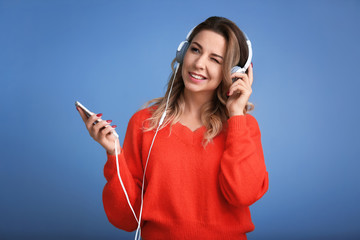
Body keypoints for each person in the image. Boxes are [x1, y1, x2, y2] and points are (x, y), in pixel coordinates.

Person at [77, 16, 268, 240]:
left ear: (235, 72)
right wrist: (114, 154)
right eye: (196, 50)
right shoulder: (144, 124)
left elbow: (243, 194)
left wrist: (236, 115)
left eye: (215, 60)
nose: (199, 63)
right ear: (182, 53)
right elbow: (127, 218)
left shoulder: (243, 127)